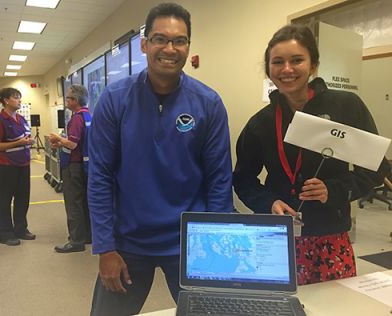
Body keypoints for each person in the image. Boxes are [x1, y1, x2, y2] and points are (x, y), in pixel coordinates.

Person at [88, 2, 233, 315]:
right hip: (128, 242)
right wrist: (105, 247)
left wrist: (215, 247)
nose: (170, 48)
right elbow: (99, 176)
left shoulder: (208, 103)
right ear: (144, 44)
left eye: (179, 40)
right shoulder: (114, 100)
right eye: (160, 39)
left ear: (188, 47)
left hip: (189, 243)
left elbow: (219, 179)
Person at [233, 24, 389, 285]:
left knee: (334, 307)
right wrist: (268, 202)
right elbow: (243, 180)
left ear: (314, 65)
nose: (287, 69)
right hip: (277, 237)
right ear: (269, 68)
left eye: (297, 60)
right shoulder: (261, 123)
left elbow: (375, 167)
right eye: (278, 62)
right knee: (280, 306)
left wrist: (334, 189)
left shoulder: (345, 106)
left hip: (330, 236)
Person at [49, 84, 91, 253]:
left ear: (75, 100)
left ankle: (76, 240)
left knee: (73, 203)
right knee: (84, 202)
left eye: (68, 97)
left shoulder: (76, 119)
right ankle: (87, 235)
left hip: (73, 166)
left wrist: (58, 138)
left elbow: (72, 144)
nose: (66, 100)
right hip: (85, 165)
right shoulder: (88, 117)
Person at [0, 88, 35, 246]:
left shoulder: (21, 119)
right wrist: (19, 143)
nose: (19, 100)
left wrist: (29, 142)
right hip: (6, 166)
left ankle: (21, 229)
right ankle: (6, 233)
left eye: (19, 97)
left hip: (23, 164)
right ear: (5, 100)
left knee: (23, 199)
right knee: (5, 200)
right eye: (15, 97)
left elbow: (26, 137)